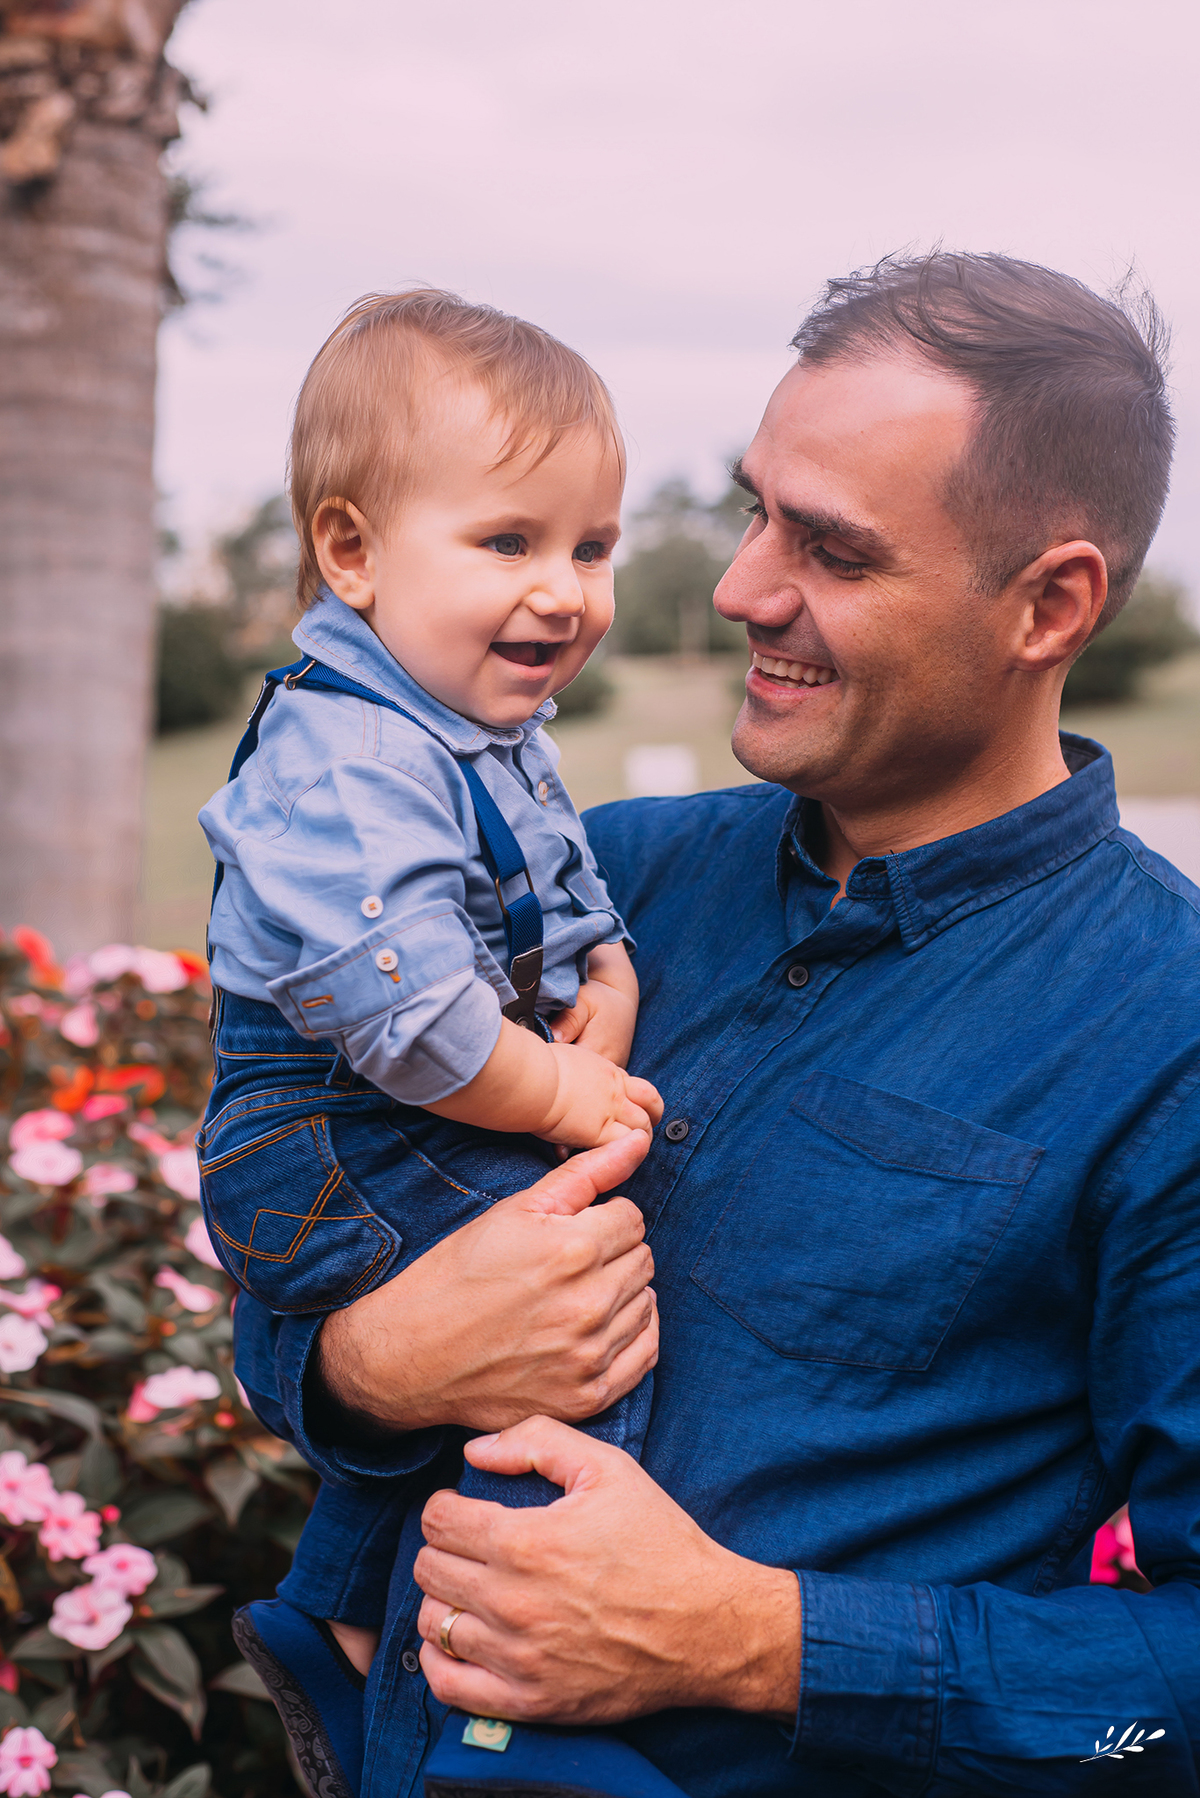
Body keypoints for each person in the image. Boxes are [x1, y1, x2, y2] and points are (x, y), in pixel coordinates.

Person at [234, 253, 1200, 1797]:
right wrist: (366, 1366)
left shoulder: (1172, 1031)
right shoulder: (602, 880)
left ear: (1051, 603)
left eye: (832, 549)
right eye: (757, 509)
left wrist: (756, 1638)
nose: (743, 586)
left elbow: (1175, 1707)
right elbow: (310, 1236)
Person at [196, 290, 667, 1798]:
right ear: (350, 552)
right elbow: (407, 1008)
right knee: (570, 1324)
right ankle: (469, 1690)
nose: (569, 592)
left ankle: (339, 1612)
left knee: (510, 1319)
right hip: (318, 1122)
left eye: (590, 547)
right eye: (510, 542)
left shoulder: (477, 717)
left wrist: (607, 978)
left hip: (389, 1097)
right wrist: (559, 1086)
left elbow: (562, 881)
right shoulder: (348, 749)